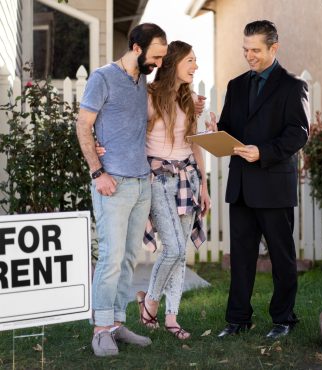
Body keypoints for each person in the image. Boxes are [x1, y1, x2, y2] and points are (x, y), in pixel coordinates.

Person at [96, 41, 210, 340]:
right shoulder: (147, 96)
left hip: (188, 177)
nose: (196, 66)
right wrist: (101, 148)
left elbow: (194, 142)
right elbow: (124, 128)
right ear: (174, 63)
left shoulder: (188, 99)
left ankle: (172, 316)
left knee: (180, 251)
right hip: (158, 179)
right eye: (191, 60)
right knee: (172, 248)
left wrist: (205, 186)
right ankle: (149, 303)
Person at [207, 20, 310, 339]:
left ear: (273, 48)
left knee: (282, 257)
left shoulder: (293, 86)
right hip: (240, 187)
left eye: (255, 50)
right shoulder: (236, 85)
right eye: (245, 49)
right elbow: (231, 128)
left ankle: (283, 318)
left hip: (273, 185)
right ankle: (237, 319)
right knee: (240, 257)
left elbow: (299, 133)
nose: (248, 56)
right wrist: (217, 133)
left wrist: (262, 152)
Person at [76, 23, 169, 357]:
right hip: (111, 183)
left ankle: (116, 322)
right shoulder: (102, 78)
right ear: (136, 47)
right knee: (111, 260)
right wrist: (97, 171)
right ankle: (100, 329)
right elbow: (83, 125)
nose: (158, 63)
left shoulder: (142, 80)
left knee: (129, 259)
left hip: (141, 182)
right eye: (155, 56)